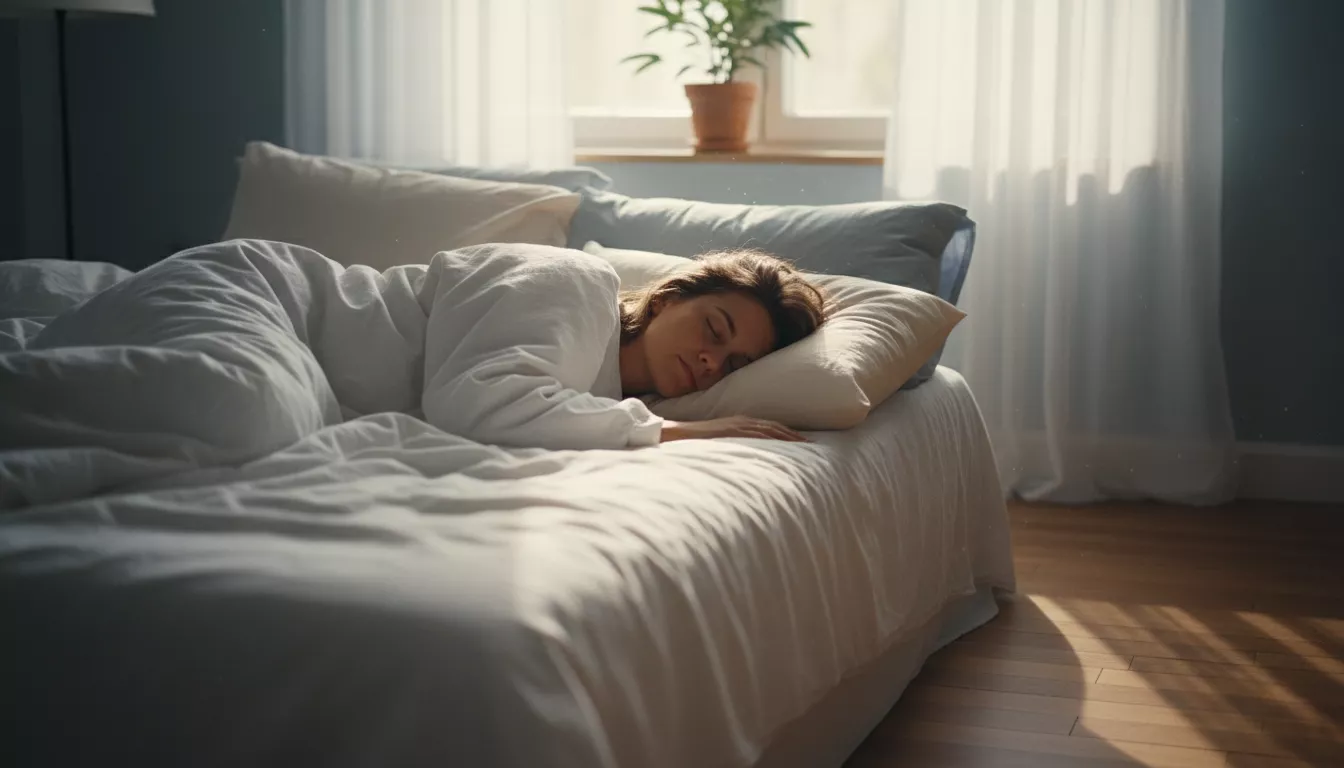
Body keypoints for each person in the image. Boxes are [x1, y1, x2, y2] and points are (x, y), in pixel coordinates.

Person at [0, 240, 826, 489]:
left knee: (235, 433)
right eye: (714, 324)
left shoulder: (587, 389)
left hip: (300, 369)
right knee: (247, 410)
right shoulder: (571, 282)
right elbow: (473, 402)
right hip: (265, 299)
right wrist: (671, 430)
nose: (712, 357)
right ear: (668, 297)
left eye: (734, 360)